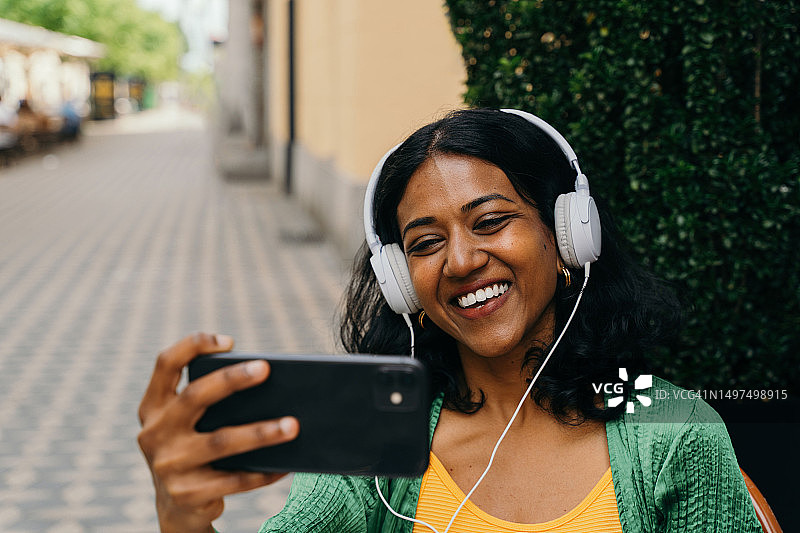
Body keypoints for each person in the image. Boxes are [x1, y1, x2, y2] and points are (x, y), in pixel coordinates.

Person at [138, 108, 760, 532]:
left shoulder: (674, 431)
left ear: (569, 233)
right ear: (400, 281)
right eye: (426, 242)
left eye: (491, 222)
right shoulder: (377, 443)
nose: (461, 261)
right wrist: (182, 516)